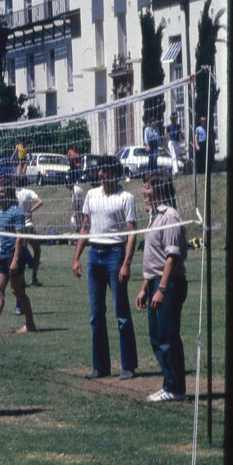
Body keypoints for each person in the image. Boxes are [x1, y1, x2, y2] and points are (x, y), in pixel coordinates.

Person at [72, 155, 139, 380]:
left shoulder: (126, 198)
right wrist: (77, 257)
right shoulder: (91, 195)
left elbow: (132, 234)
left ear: (114, 173)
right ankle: (100, 366)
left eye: (104, 171)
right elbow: (85, 226)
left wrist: (126, 263)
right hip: (95, 255)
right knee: (96, 314)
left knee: (121, 312)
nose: (100, 174)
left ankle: (128, 365)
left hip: (115, 255)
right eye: (99, 171)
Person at [135, 172, 188, 402]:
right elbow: (154, 257)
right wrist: (145, 287)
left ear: (158, 189)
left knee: (167, 336)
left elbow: (171, 258)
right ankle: (169, 383)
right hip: (156, 282)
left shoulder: (170, 216)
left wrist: (162, 289)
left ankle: (175, 389)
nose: (143, 192)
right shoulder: (153, 216)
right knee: (156, 337)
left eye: (147, 187)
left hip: (170, 283)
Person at [0, 179, 36, 335]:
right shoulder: (1, 212)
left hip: (14, 255)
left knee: (17, 291)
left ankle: (30, 323)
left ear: (9, 193)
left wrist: (16, 260)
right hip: (3, 255)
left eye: (1, 191)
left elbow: (19, 238)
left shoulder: (16, 212)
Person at [15, 177, 44, 286]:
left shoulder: (13, 192)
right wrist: (30, 211)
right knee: (37, 250)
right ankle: (33, 277)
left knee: (20, 251)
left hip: (17, 226)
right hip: (28, 225)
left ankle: (21, 279)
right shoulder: (28, 192)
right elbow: (40, 201)